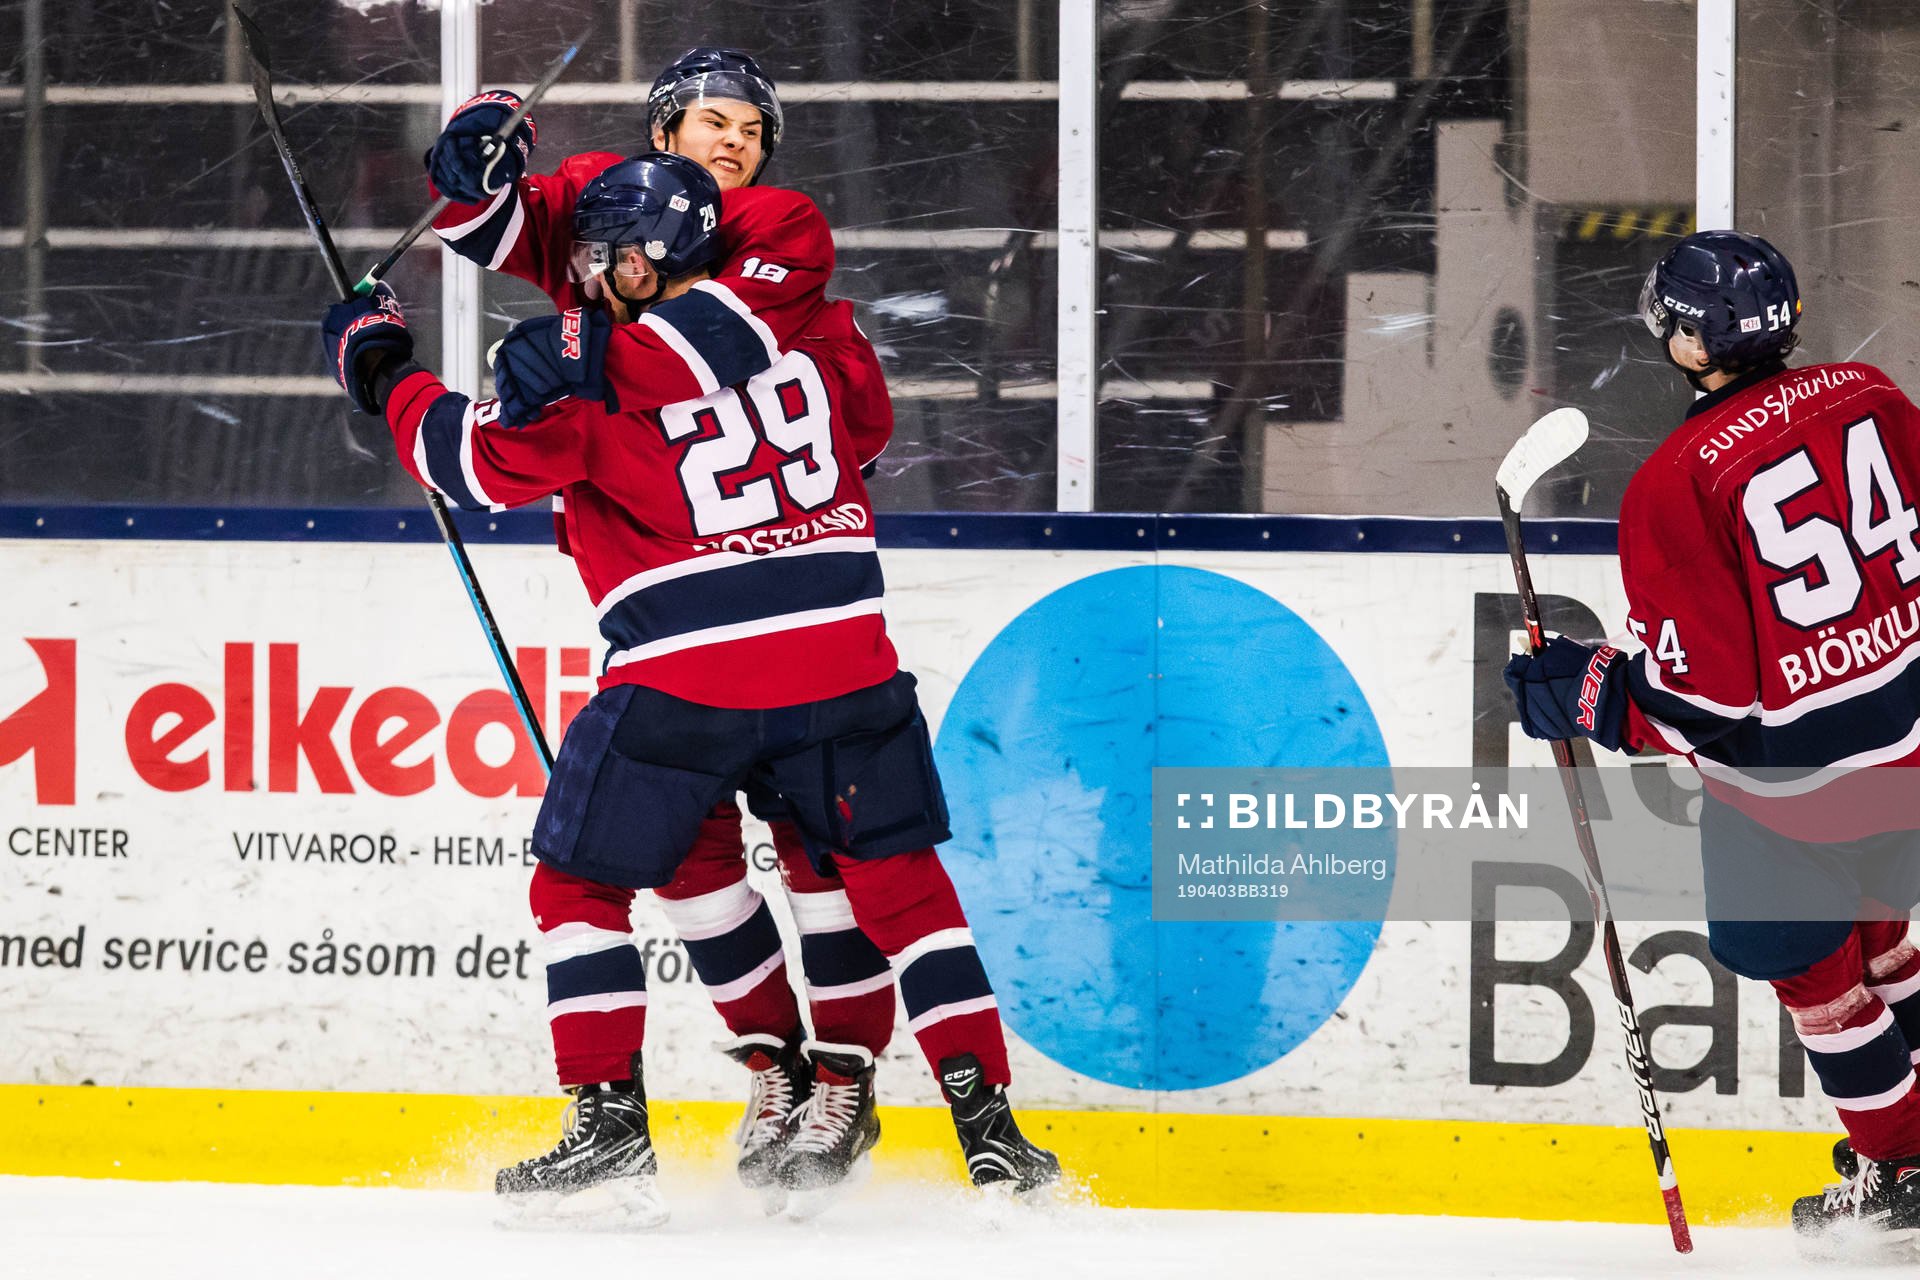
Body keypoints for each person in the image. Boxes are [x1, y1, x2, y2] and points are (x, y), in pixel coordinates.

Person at [320, 153, 1059, 1225]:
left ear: (641, 263)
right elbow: (865, 431)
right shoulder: (810, 333)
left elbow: (467, 465)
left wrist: (381, 364)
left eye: (598, 259)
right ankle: (994, 1140)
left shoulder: (597, 382)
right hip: (847, 661)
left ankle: (611, 1127)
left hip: (690, 677)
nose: (584, 276)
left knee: (576, 884)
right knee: (902, 893)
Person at [421, 48, 909, 1193]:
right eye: (712, 120)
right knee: (692, 868)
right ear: (660, 130)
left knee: (819, 857)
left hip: (774, 602)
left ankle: (843, 1076)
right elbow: (487, 223)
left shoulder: (775, 223)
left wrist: (561, 359)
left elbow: (700, 359)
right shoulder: (610, 200)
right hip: (657, 602)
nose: (734, 140)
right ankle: (778, 1063)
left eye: (752, 127)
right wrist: (468, 167)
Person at [1504, 229, 1920, 1249]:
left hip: (1799, 792)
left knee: (1812, 971)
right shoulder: (1873, 395)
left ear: (1689, 343)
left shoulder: (1679, 481)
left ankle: (1904, 1162)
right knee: (1881, 937)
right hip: (1909, 752)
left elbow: (1711, 707)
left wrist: (1593, 692)